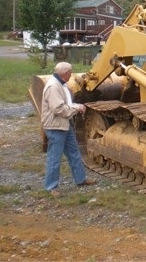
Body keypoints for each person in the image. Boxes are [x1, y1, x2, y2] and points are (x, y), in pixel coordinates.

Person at [41, 62, 96, 197]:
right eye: (70, 73)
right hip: (56, 126)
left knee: (74, 153)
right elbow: (58, 109)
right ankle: (51, 187)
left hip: (64, 124)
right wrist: (76, 108)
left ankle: (81, 179)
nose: (71, 75)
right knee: (54, 157)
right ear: (65, 73)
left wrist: (75, 105)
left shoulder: (61, 84)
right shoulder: (53, 86)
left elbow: (65, 104)